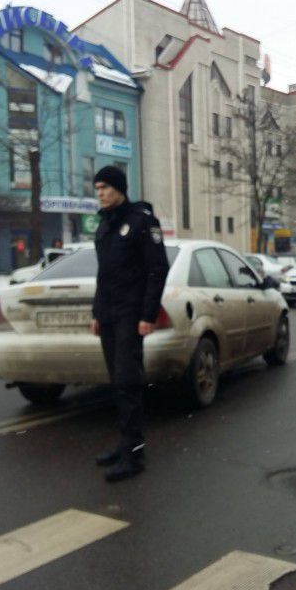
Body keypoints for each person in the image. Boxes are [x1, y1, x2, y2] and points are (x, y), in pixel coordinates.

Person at [89, 165, 169, 482]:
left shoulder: (142, 221)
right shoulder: (105, 225)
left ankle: (134, 455)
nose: (100, 193)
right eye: (97, 189)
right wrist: (97, 313)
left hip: (131, 314)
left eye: (106, 187)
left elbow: (157, 270)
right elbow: (103, 275)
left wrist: (148, 315)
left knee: (128, 381)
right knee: (116, 382)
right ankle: (124, 444)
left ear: (120, 188)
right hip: (109, 313)